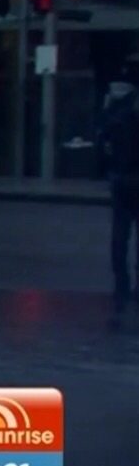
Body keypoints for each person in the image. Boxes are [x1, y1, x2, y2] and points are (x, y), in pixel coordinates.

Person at [100, 65, 139, 325]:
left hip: (119, 178)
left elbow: (103, 142)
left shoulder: (111, 105)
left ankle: (120, 284)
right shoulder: (135, 106)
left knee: (120, 234)